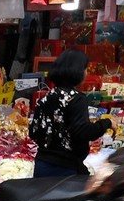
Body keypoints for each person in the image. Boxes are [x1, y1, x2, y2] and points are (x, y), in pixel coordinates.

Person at [29, 48, 113, 177]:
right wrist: (107, 123)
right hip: (65, 169)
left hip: (42, 165)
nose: (86, 73)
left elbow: (33, 132)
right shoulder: (76, 99)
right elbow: (83, 131)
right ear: (78, 72)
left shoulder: (45, 98)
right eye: (85, 69)